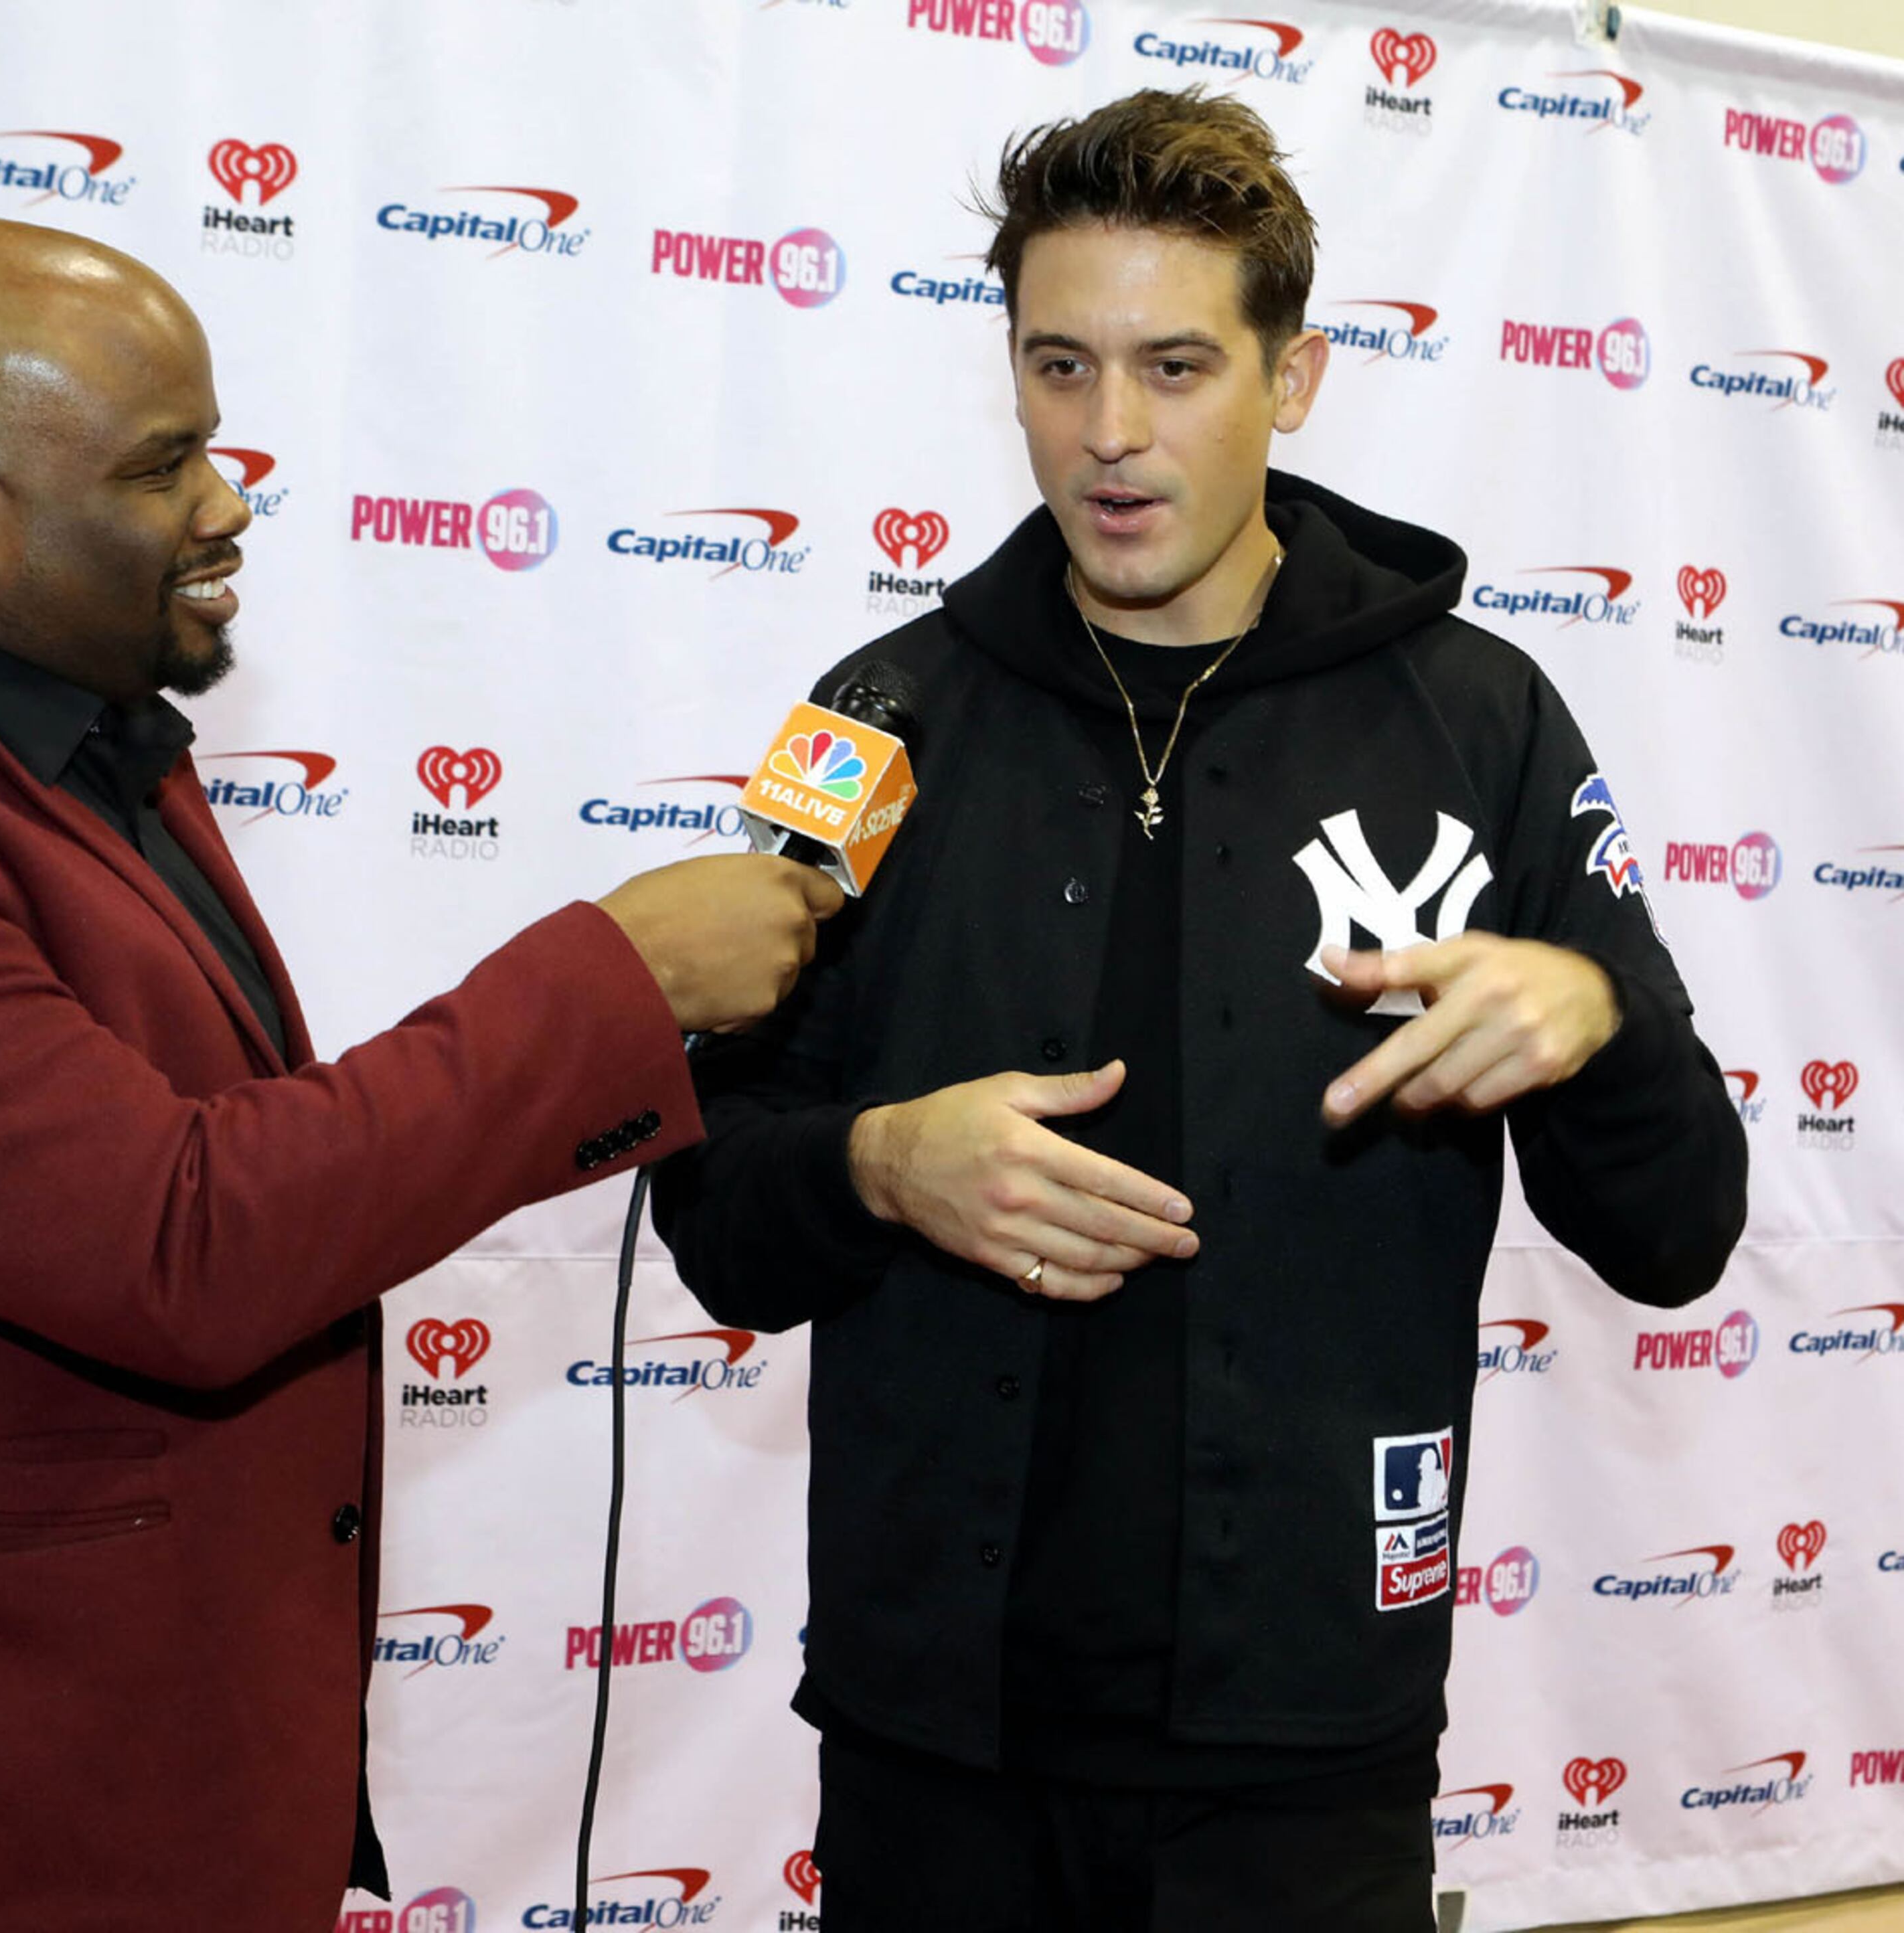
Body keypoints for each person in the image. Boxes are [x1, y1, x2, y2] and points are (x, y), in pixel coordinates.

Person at [0, 214, 842, 1932]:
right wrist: (618, 983)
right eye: (161, 464)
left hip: (78, 1791)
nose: (225, 505)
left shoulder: (67, 744)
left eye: (216, 444)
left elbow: (11, 1234)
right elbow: (182, 1243)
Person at [650, 90, 1747, 1932]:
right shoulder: (873, 724)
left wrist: (1600, 1024)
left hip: (1306, 1739)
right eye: (1060, 367)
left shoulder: (1479, 725)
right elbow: (717, 1222)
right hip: (941, 1739)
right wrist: (878, 1165)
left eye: (1175, 366)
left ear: (1292, 377)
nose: (1111, 435)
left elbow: (1678, 1234)